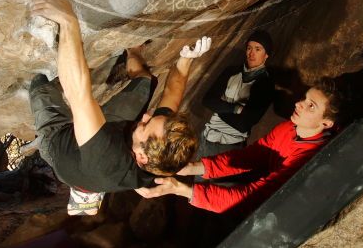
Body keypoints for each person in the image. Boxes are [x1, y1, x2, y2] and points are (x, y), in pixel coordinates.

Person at [24, 0, 210, 215]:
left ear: (142, 157)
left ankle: (85, 190)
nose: (145, 116)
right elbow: (172, 92)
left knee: (40, 84)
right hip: (113, 140)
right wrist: (187, 59)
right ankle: (133, 51)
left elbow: (78, 93)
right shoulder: (162, 153)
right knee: (145, 82)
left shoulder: (108, 159)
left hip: (60, 143)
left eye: (145, 125)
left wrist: (68, 20)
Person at [135, 79, 342, 214]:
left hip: (277, 211)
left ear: (326, 123)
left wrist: (180, 189)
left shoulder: (310, 159)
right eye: (304, 99)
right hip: (261, 188)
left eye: (310, 106)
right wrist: (194, 167)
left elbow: (252, 196)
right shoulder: (288, 128)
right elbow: (252, 156)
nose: (298, 104)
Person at [199, 29, 275, 158]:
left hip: (231, 145)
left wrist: (219, 108)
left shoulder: (266, 83)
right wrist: (237, 108)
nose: (251, 53)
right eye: (249, 48)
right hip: (207, 137)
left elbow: (244, 124)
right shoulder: (231, 71)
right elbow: (207, 100)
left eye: (258, 49)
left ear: (266, 54)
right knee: (198, 178)